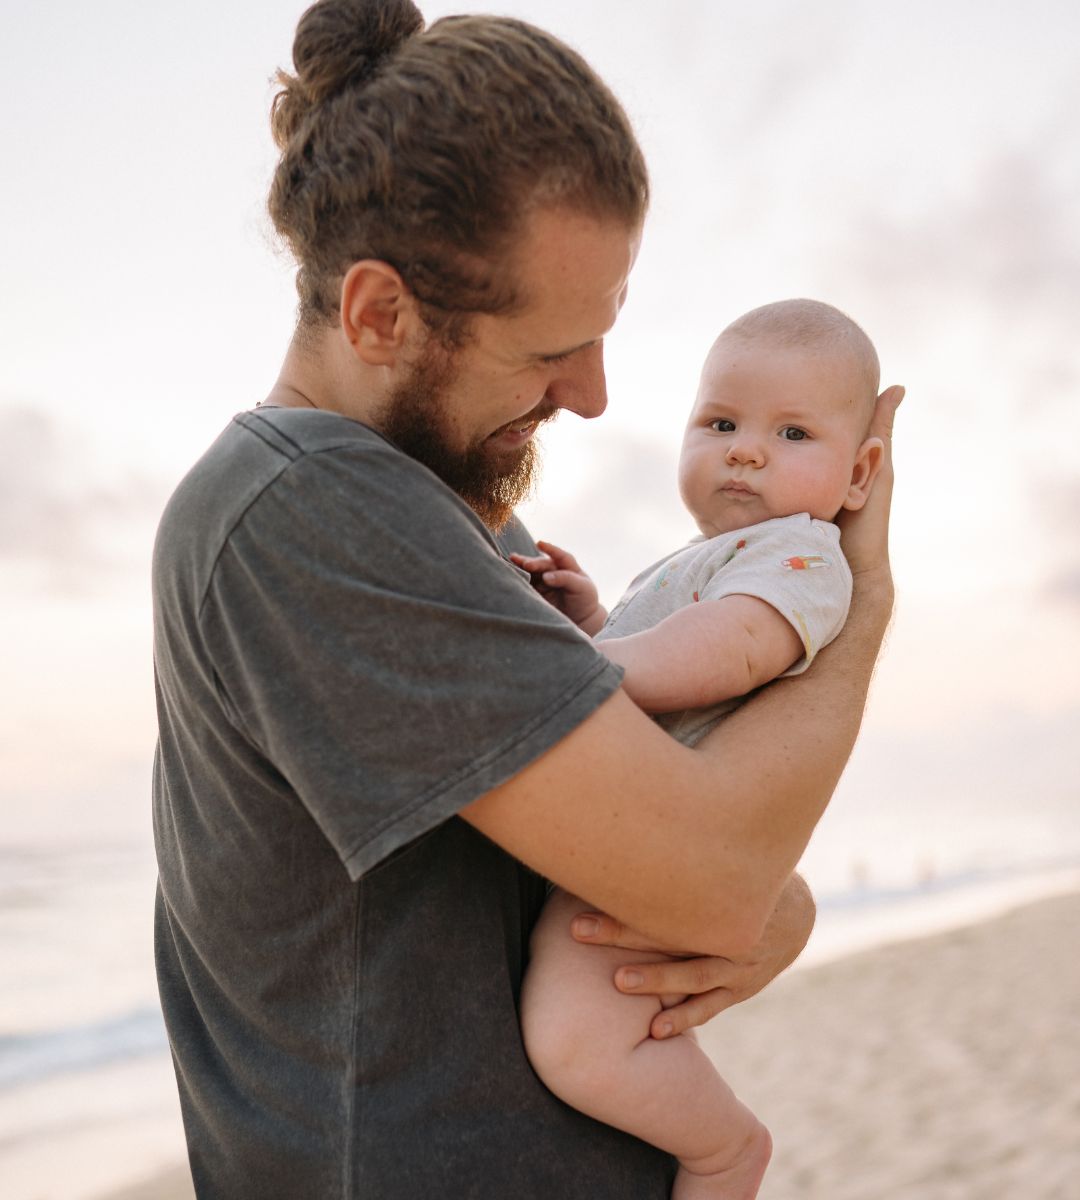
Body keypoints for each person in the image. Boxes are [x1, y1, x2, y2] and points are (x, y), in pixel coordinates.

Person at [151, 2, 902, 1196]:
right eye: (551, 350)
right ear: (380, 316)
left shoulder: (455, 511)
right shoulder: (311, 515)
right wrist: (856, 587)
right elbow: (709, 871)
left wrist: (778, 904)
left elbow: (662, 842)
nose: (595, 397)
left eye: (601, 336)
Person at [513, 299, 885, 1200]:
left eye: (792, 432)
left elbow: (731, 651)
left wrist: (587, 662)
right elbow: (672, 658)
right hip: (632, 835)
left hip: (655, 851)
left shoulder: (802, 557)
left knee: (572, 1039)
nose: (745, 449)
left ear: (860, 474)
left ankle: (722, 1149)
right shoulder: (718, 554)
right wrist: (593, 621)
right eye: (720, 423)